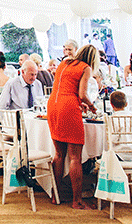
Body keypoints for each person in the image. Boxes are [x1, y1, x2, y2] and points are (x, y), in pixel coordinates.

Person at [47, 44, 98, 210]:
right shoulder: (85, 68)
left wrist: (79, 102)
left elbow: (65, 88)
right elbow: (82, 94)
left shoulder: (64, 63)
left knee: (59, 154)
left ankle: (56, 195)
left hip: (53, 105)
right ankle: (77, 200)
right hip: (68, 108)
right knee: (75, 156)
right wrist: (91, 106)